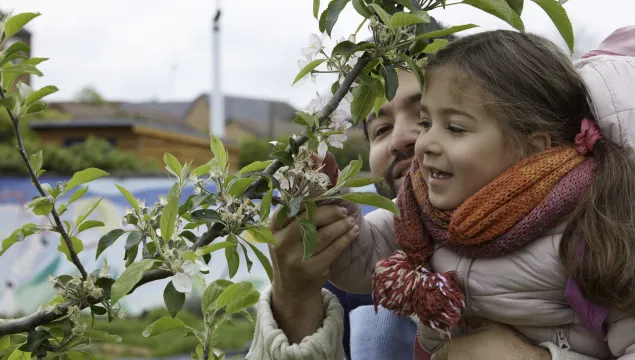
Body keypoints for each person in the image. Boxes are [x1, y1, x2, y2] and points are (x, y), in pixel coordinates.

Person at [324, 29, 635, 359]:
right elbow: (359, 263)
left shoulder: (592, 229)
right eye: (427, 122)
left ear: (533, 148)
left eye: (455, 127)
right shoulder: (422, 211)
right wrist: (328, 202)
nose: (423, 144)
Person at [247, 63, 565, 359]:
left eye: (439, 121)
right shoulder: (345, 270)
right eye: (381, 129)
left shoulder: (573, 235)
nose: (401, 138)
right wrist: (293, 299)